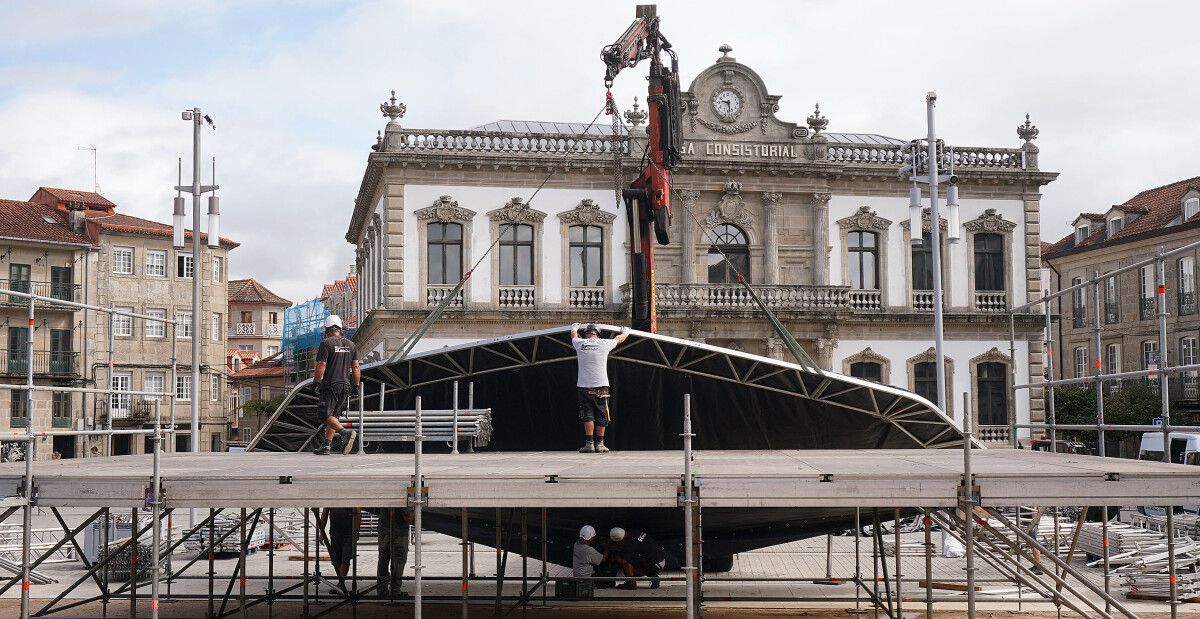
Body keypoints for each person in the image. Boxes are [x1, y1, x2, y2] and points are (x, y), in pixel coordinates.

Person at [571, 323, 630, 453]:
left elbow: (573, 336)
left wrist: (574, 328)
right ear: (598, 334)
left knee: (588, 415)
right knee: (601, 414)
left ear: (586, 334)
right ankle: (600, 444)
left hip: (584, 386)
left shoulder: (580, 343)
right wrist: (626, 331)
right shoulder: (604, 343)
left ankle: (589, 444)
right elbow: (619, 339)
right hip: (601, 387)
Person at [312, 315, 360, 455]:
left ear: (327, 329)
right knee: (334, 415)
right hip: (345, 385)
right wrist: (356, 386)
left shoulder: (326, 343)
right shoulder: (351, 345)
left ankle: (345, 433)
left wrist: (316, 382)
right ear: (340, 329)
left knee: (324, 415)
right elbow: (356, 367)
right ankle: (326, 445)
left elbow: (321, 364)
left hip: (330, 384)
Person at [375, 507, 414, 599]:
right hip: (398, 533)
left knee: (383, 562)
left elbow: (376, 510)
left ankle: (381, 590)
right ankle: (395, 591)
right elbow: (408, 517)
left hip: (383, 532)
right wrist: (417, 509)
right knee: (398, 562)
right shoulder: (402, 495)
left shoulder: (383, 494)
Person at [325, 507, 358, 595]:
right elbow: (324, 512)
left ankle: (341, 585)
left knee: (345, 558)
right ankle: (340, 583)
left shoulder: (350, 496)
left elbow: (358, 512)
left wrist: (356, 530)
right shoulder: (331, 498)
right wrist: (321, 531)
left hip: (349, 532)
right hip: (335, 532)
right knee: (336, 560)